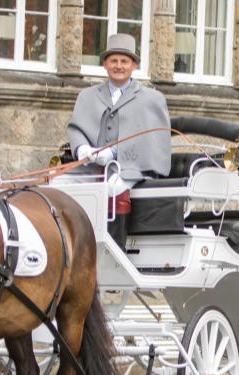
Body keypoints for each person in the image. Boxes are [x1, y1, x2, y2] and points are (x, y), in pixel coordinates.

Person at [66, 33, 171, 250]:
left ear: (134, 65)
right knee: (60, 186)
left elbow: (153, 140)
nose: (119, 66)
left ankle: (113, 251)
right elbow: (76, 129)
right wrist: (83, 148)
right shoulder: (87, 96)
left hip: (131, 170)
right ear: (105, 64)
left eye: (124, 61)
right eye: (114, 60)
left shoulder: (152, 99)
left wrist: (113, 153)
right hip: (91, 168)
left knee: (113, 188)